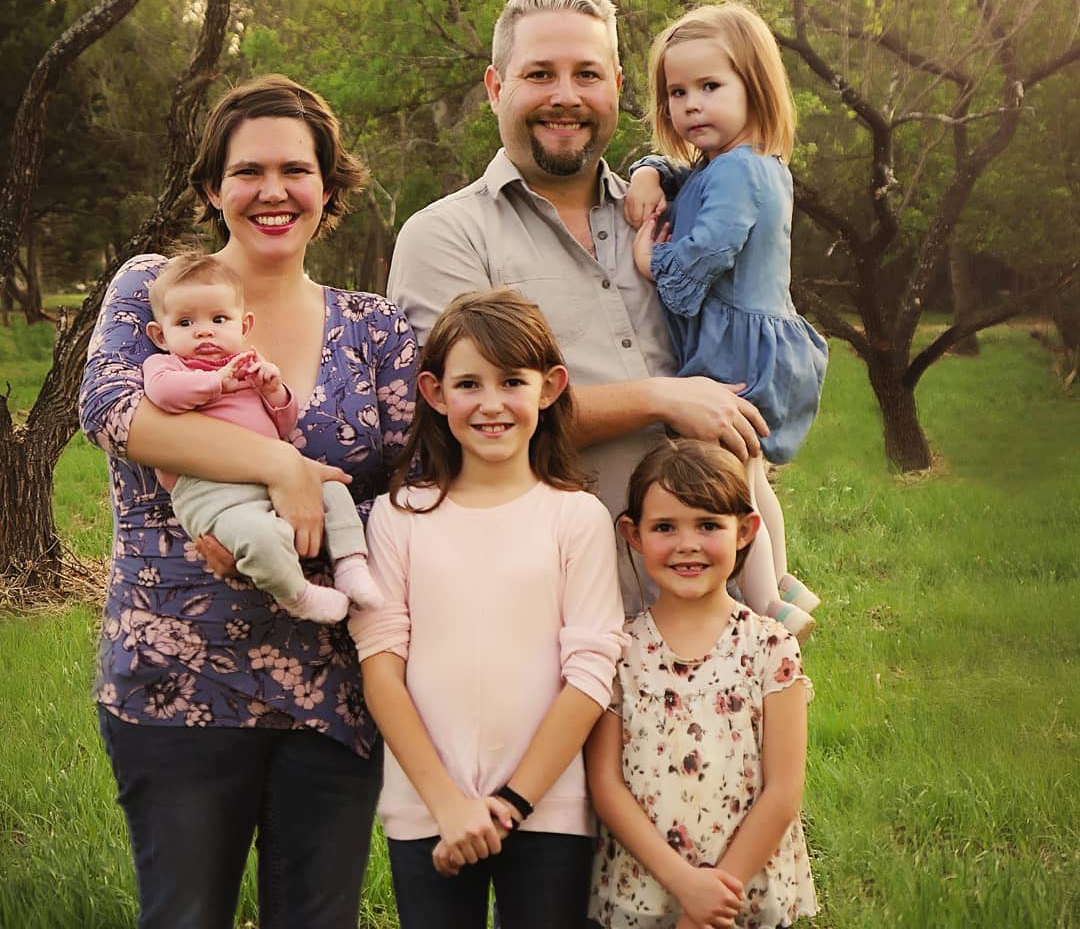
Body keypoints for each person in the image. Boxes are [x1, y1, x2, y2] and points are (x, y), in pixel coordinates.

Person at [79, 74, 417, 928]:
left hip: (335, 692)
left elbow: (420, 479)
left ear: (328, 189)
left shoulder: (374, 327)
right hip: (177, 680)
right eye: (248, 171)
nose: (274, 191)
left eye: (297, 170)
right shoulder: (156, 291)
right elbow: (115, 411)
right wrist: (282, 466)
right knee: (185, 915)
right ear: (211, 190)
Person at [387, 0, 770, 613]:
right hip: (550, 614)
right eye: (540, 74)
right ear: (495, 88)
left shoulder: (673, 218)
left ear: (617, 87)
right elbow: (458, 424)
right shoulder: (446, 237)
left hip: (717, 611)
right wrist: (659, 396)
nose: (566, 97)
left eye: (587, 75)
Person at [349, 288, 627, 929]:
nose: (492, 403)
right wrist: (447, 804)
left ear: (551, 387)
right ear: (435, 392)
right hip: (428, 810)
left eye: (512, 381)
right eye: (468, 383)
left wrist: (510, 804)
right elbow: (381, 668)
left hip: (550, 807)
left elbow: (589, 675)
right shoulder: (401, 518)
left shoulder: (575, 517)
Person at [625, 2, 828, 642]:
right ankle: (783, 580)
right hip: (761, 342)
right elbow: (683, 177)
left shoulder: (739, 170)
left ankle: (767, 605)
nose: (691, 105)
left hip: (737, 352)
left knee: (731, 476)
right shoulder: (741, 163)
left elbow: (712, 248)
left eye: (710, 87)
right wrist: (649, 168)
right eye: (678, 92)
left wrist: (652, 259)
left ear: (754, 88)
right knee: (748, 470)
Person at [586, 439, 817, 929]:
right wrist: (686, 885)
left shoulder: (772, 647)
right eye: (665, 527)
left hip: (744, 896)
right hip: (645, 889)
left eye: (708, 524)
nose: (687, 544)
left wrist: (716, 897)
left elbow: (784, 789)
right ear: (633, 533)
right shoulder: (617, 651)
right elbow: (605, 783)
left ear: (745, 530)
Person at [141, 251, 384, 623]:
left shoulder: (247, 364)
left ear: (244, 324)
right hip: (211, 491)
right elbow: (163, 395)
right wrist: (216, 383)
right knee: (258, 536)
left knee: (334, 492)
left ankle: (351, 564)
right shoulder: (167, 366)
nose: (204, 331)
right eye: (186, 322)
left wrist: (275, 392)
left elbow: (282, 426)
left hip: (271, 482)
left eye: (219, 319)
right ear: (160, 334)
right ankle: (297, 595)